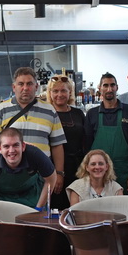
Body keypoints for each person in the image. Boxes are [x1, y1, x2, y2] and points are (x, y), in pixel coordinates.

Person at [0, 66, 66, 204]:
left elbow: (57, 145)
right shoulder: (1, 110)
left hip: (41, 178)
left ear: (36, 87)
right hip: (8, 178)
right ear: (14, 87)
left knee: (38, 214)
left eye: (29, 84)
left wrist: (59, 173)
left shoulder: (49, 110)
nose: (25, 88)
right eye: (21, 84)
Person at [0, 127, 56, 208]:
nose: (11, 151)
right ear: (0, 149)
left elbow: (51, 178)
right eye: (6, 146)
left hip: (30, 194)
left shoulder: (35, 154)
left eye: (16, 145)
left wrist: (39, 207)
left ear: (23, 146)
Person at [84, 72, 128, 194]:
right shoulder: (92, 114)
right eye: (105, 85)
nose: (109, 89)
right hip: (98, 173)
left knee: (125, 204)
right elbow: (86, 148)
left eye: (112, 85)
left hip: (124, 172)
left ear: (117, 87)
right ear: (100, 89)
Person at [46, 75, 85, 209]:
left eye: (63, 90)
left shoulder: (78, 113)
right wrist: (58, 172)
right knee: (56, 205)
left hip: (77, 167)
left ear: (70, 92)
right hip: (54, 168)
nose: (59, 94)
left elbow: (84, 141)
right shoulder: (47, 114)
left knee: (76, 206)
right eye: (55, 91)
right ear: (50, 93)